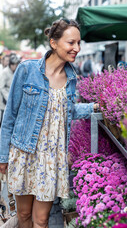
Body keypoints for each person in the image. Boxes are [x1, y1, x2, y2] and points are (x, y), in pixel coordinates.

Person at [0, 18, 99, 228]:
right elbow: (9, 118)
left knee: (42, 220)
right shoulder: (27, 70)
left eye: (79, 43)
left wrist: (95, 107)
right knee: (24, 215)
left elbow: (67, 111)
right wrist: (2, 157)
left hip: (51, 158)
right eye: (71, 42)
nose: (77, 48)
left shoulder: (72, 79)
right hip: (24, 152)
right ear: (54, 43)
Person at [0, 54, 20, 126]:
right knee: (4, 119)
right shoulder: (4, 72)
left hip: (12, 98)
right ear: (12, 65)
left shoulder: (15, 72)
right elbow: (1, 87)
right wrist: (8, 97)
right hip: (5, 99)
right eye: (16, 65)